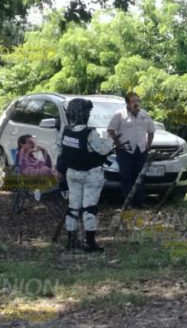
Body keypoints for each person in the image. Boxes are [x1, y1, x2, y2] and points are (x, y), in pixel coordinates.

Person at [57, 98, 114, 252]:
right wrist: (110, 138)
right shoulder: (90, 133)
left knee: (73, 207)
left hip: (72, 173)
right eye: (88, 112)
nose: (89, 114)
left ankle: (71, 242)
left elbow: (60, 151)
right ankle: (90, 243)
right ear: (84, 114)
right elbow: (103, 150)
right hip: (91, 174)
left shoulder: (66, 130)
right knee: (89, 208)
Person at [107, 92, 155, 208]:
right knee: (126, 177)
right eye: (133, 101)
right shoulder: (120, 114)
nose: (136, 103)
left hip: (141, 150)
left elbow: (151, 130)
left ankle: (140, 202)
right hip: (125, 150)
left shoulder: (144, 114)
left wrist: (148, 144)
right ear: (127, 103)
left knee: (140, 176)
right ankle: (128, 203)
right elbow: (110, 130)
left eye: (137, 101)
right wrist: (118, 144)